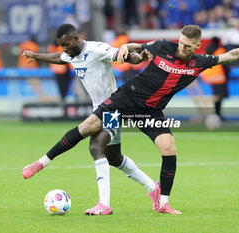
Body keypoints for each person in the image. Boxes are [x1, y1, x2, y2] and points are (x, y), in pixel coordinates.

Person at [24, 25, 239, 214]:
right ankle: (43, 163)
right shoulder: (164, 46)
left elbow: (231, 55)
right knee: (91, 132)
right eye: (182, 43)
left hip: (151, 112)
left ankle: (162, 202)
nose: (182, 48)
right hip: (126, 99)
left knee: (168, 147)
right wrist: (125, 48)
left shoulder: (200, 63)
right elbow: (136, 48)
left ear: (196, 47)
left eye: (188, 46)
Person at [21, 24, 159, 215]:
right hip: (99, 109)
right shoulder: (71, 54)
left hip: (113, 108)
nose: (65, 49)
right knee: (114, 157)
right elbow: (59, 58)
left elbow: (123, 54)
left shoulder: (97, 49)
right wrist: (36, 56)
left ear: (76, 38)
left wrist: (138, 58)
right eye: (62, 46)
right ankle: (153, 188)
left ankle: (44, 163)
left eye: (67, 44)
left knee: (94, 146)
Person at [201, 37, 228, 119]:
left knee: (215, 95)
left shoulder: (205, 50)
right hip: (218, 77)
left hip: (207, 76)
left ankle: (214, 113)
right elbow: (225, 64)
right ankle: (217, 114)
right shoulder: (221, 50)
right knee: (219, 96)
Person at [18, 36, 47, 101]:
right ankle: (40, 96)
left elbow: (19, 51)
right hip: (31, 67)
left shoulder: (23, 44)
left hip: (22, 66)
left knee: (28, 82)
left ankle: (35, 96)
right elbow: (37, 57)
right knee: (35, 82)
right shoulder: (35, 45)